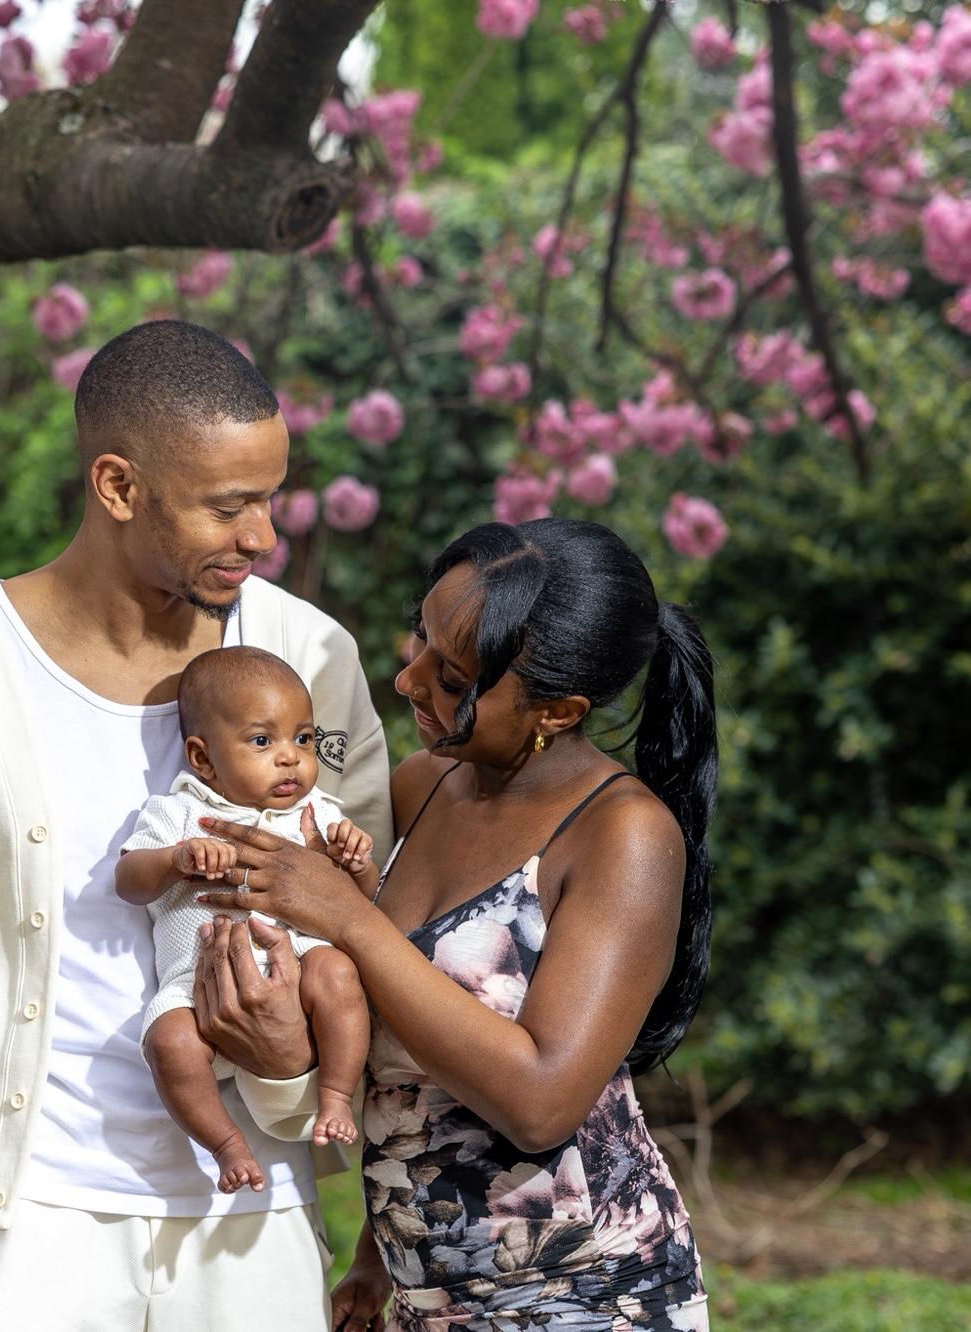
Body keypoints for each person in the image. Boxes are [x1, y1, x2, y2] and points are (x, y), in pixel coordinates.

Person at [0, 319, 393, 1332]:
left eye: (270, 499)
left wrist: (295, 1080)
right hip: (31, 1224)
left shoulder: (308, 655)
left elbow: (369, 911)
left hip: (251, 1210)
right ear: (118, 487)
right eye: (229, 506)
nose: (262, 536)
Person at [198, 518, 716, 1331]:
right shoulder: (425, 787)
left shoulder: (622, 836)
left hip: (581, 1297)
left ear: (558, 710)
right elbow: (416, 1077)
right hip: (427, 1295)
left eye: (453, 678)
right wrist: (375, 1260)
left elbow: (542, 1100)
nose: (409, 683)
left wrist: (350, 919)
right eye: (421, 645)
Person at [116, 646, 377, 1194]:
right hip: (196, 983)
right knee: (168, 1041)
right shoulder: (179, 812)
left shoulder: (317, 813)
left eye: (303, 739)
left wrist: (356, 862)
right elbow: (128, 881)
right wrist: (175, 858)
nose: (290, 758)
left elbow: (363, 906)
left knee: (339, 974)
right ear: (203, 759)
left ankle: (334, 1094)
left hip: (300, 963)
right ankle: (225, 1144)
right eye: (263, 741)